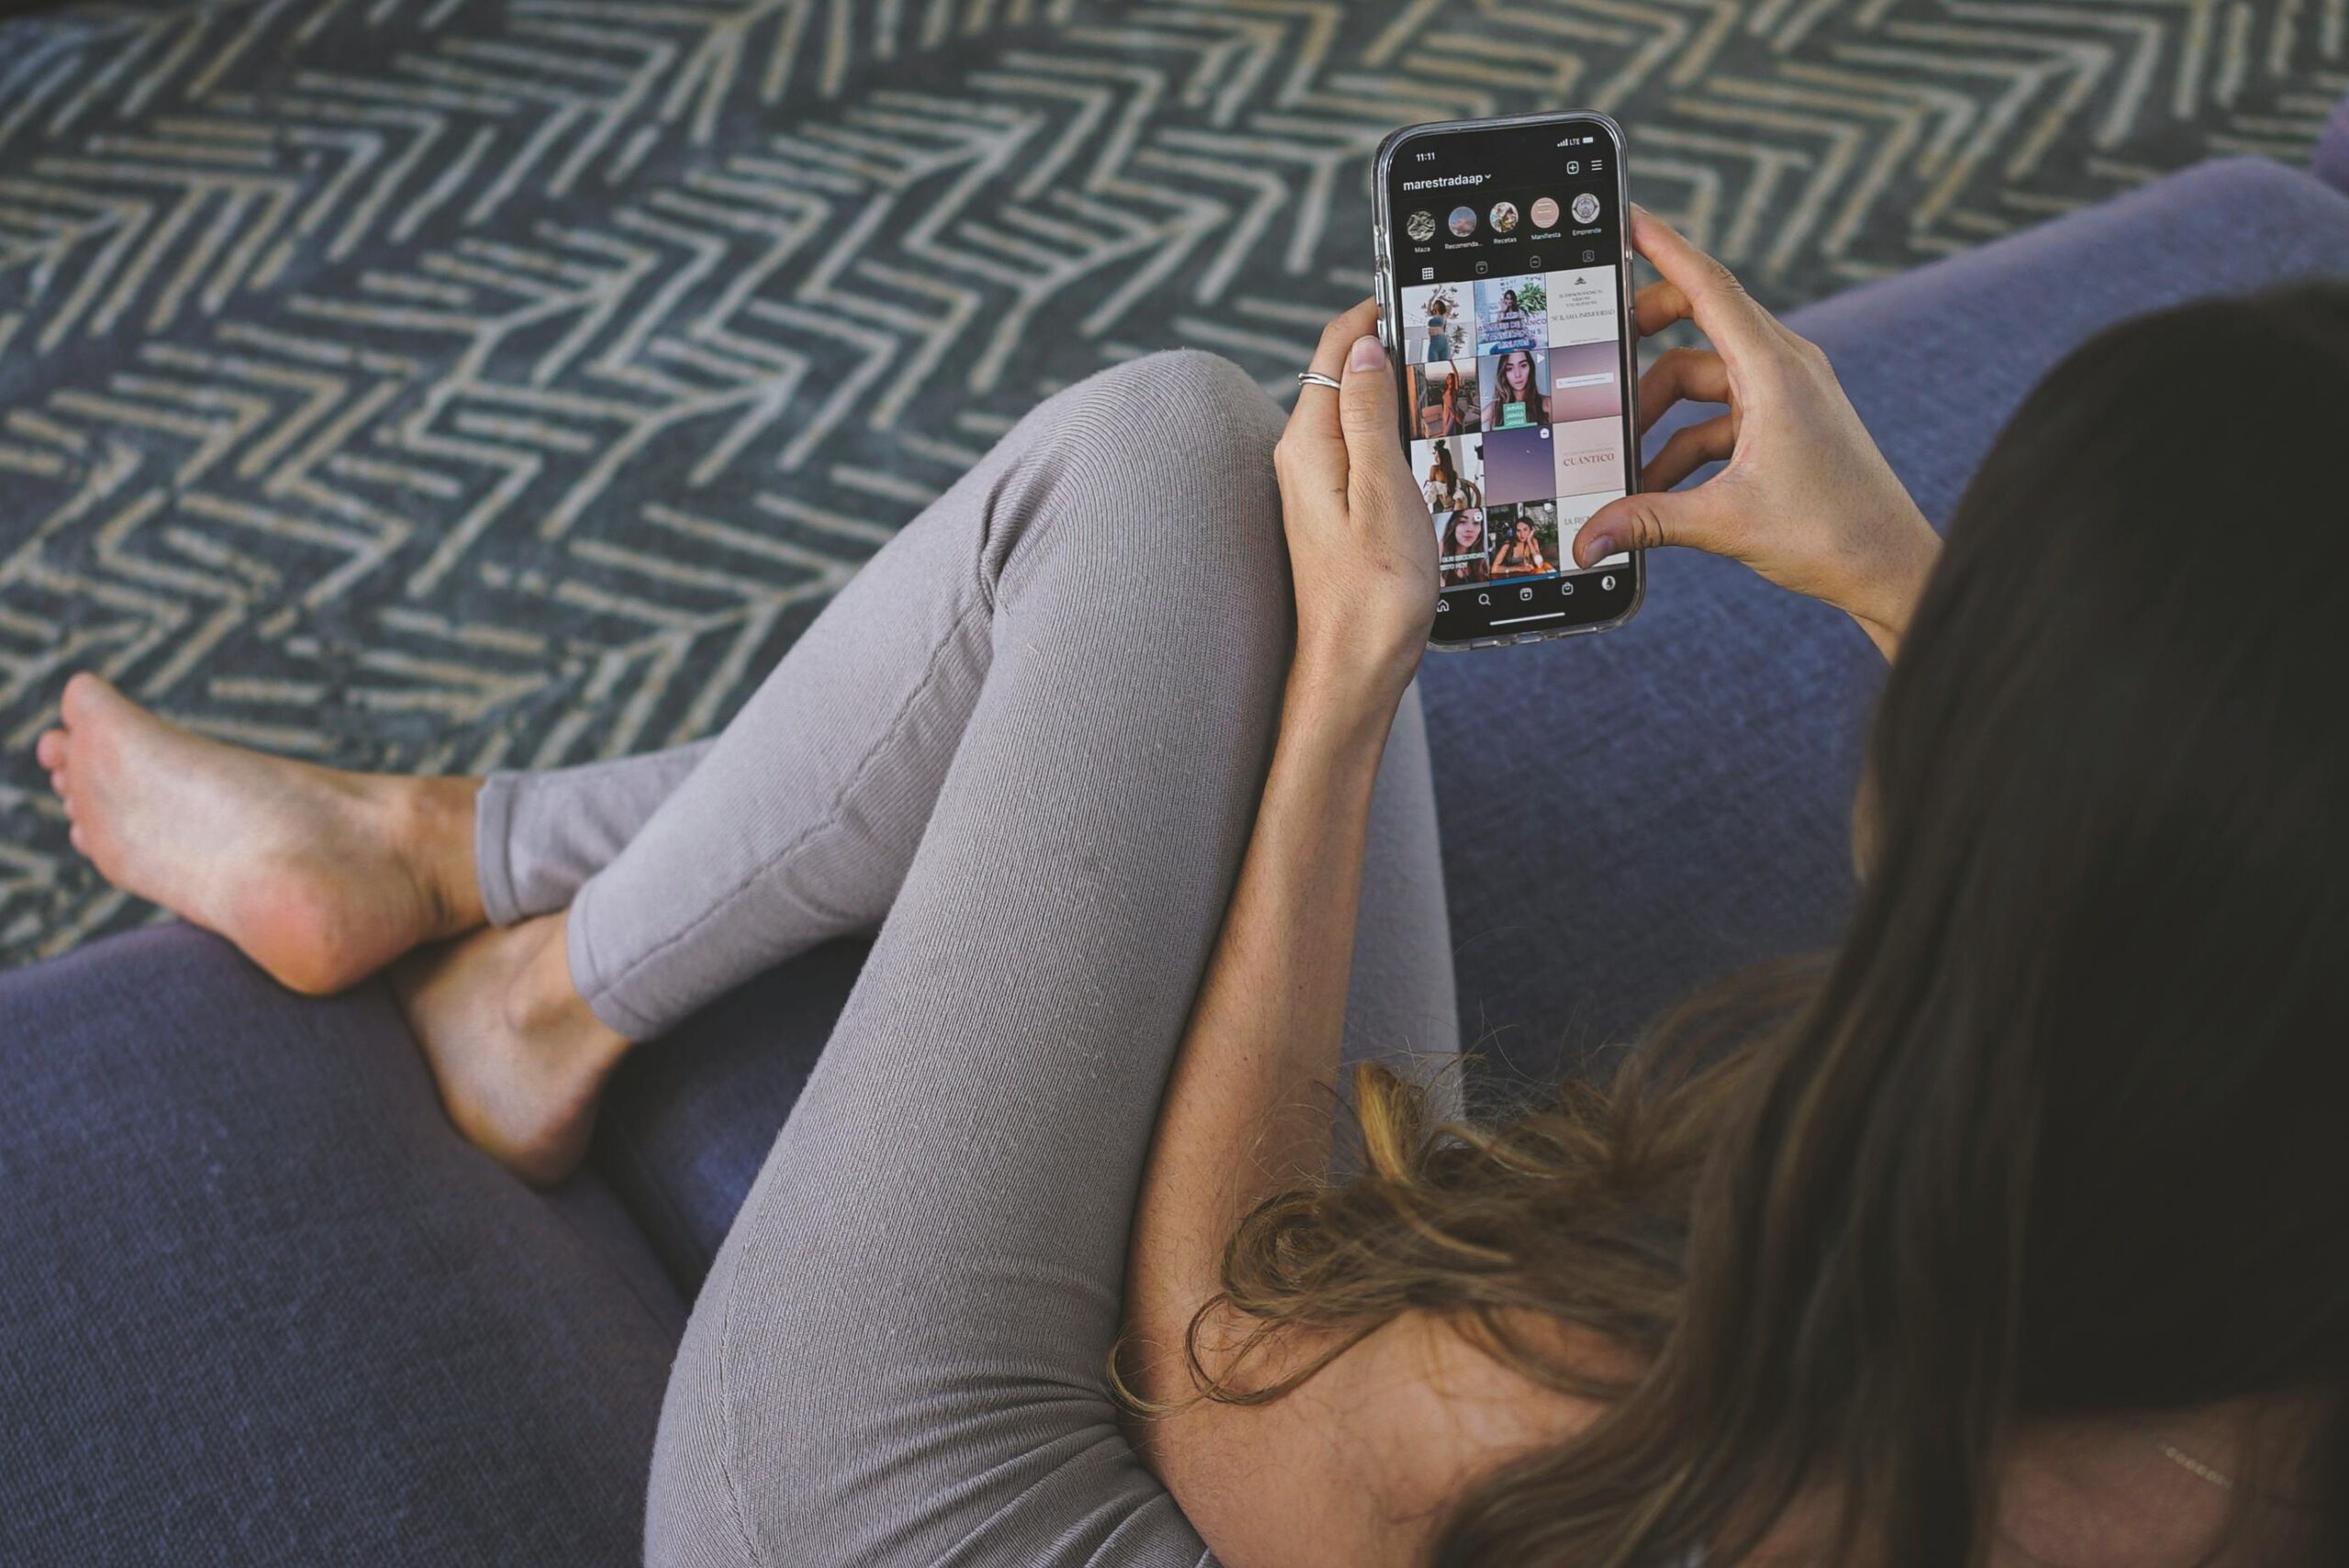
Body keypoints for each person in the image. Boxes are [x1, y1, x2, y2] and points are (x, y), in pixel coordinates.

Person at [33, 207, 2349, 1568]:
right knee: (1236, 544)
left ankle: (517, 954)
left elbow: (1220, 1352)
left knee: (1171, 481)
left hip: (1007, 1496)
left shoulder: (1687, 1407)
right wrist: (1881, 565)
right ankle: (479, 883)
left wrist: (1344, 699)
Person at [1481, 347, 1549, 428]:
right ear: (1504, 373)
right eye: (1509, 368)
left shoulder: (1547, 404)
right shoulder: (1495, 407)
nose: (1517, 374)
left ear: (1530, 368)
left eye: (1523, 365)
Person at [1488, 510, 1548, 576]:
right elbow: (1494, 569)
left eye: (1525, 530)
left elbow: (1539, 564)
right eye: (1518, 531)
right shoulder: (1508, 544)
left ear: (1531, 530)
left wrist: (1529, 541)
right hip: (1509, 579)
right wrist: (1517, 568)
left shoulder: (1533, 541)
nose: (1522, 535)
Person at [1440, 508, 1488, 584]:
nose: (1470, 529)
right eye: (1463, 521)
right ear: (1453, 525)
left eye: (1476, 522)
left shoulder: (1482, 565)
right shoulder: (1438, 555)